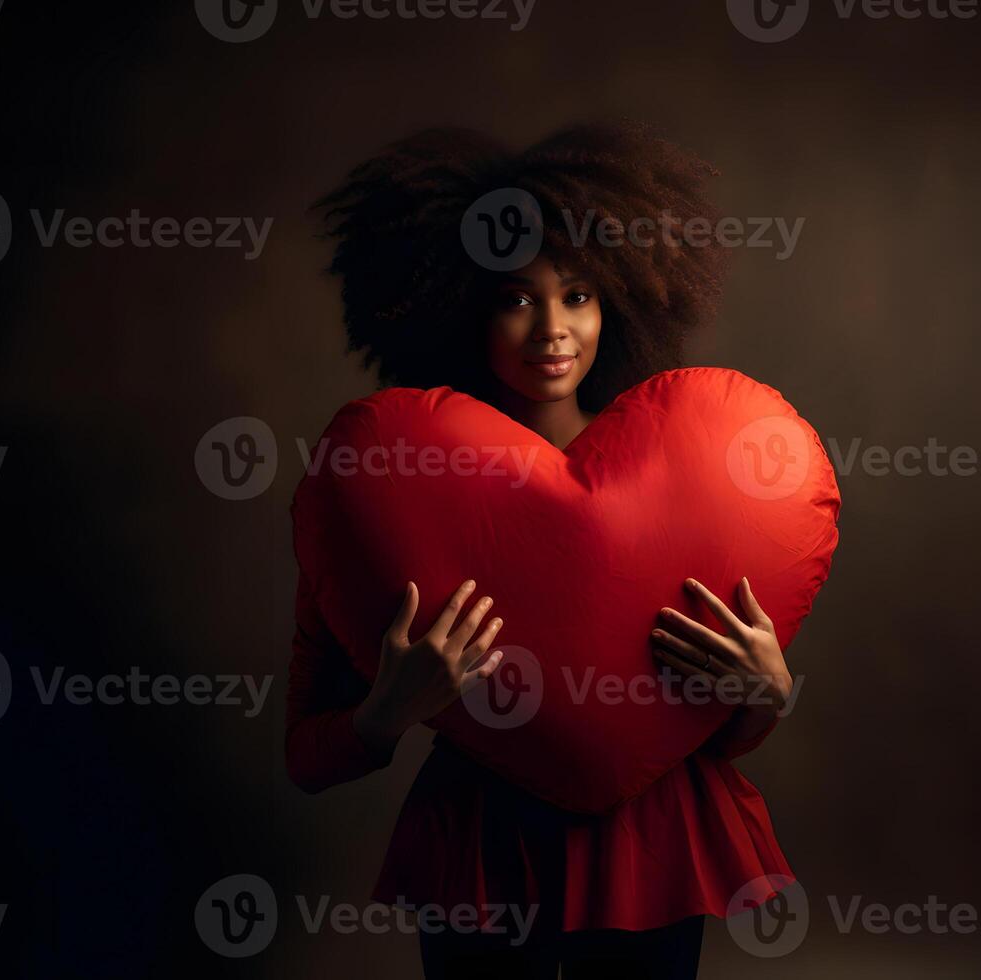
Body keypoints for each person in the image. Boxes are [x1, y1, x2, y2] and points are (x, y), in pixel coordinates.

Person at [287, 122, 802, 979]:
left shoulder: (687, 476)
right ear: (457, 303)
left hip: (653, 843)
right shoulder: (383, 493)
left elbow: (702, 719)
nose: (553, 331)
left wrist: (769, 694)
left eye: (579, 295)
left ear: (620, 303)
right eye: (516, 298)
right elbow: (305, 755)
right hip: (481, 849)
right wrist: (388, 709)